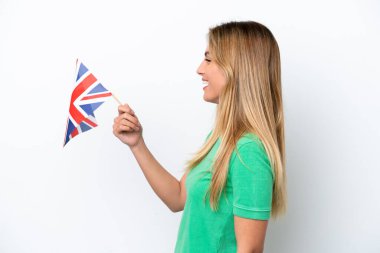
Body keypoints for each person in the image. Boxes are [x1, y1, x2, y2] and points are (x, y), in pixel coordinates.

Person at [113, 20, 287, 253]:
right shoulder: (219, 139)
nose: (199, 69)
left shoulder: (249, 151)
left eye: (209, 59)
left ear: (236, 68)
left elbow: (251, 250)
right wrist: (137, 144)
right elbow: (178, 198)